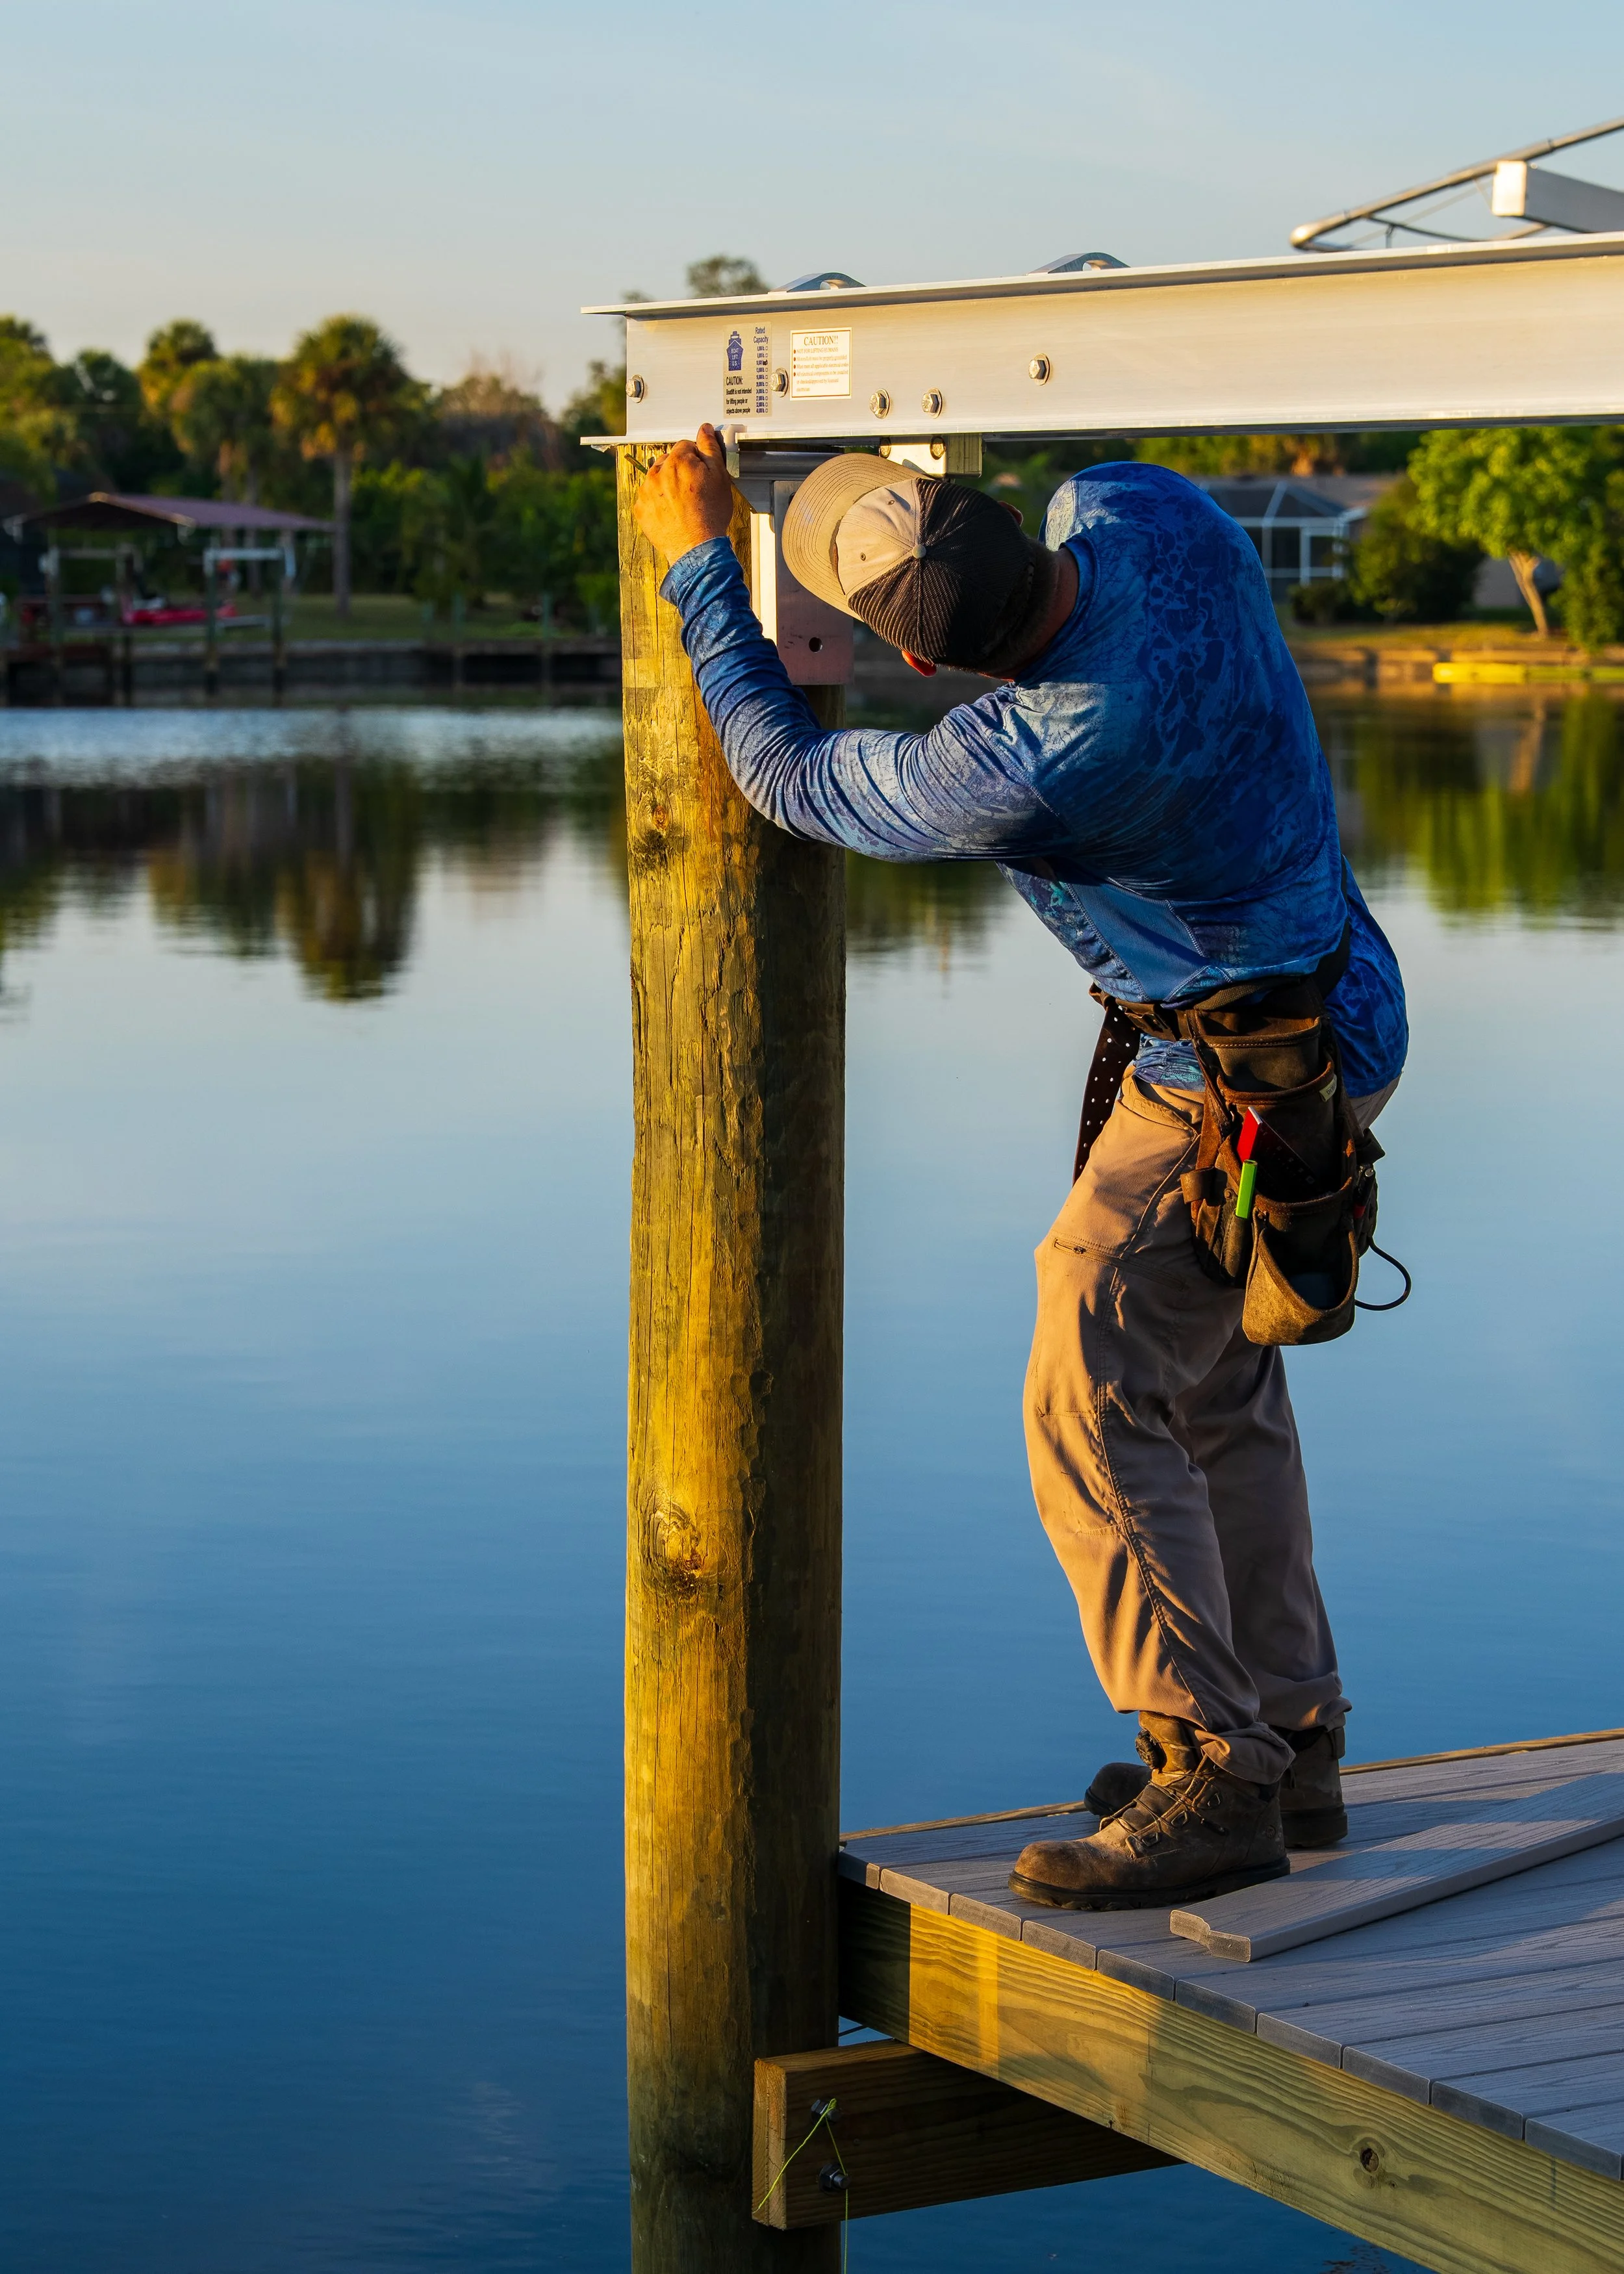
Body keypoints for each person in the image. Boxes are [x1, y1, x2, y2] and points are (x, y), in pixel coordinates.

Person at [633, 424, 1407, 1909]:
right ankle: (1293, 1742)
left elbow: (789, 777)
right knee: (1215, 1375)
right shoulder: (1157, 528)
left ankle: (1210, 1768)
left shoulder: (1027, 756)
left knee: (1083, 1355)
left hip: (1223, 1076)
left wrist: (696, 563)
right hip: (1339, 1015)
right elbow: (1099, 458)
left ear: (920, 664)